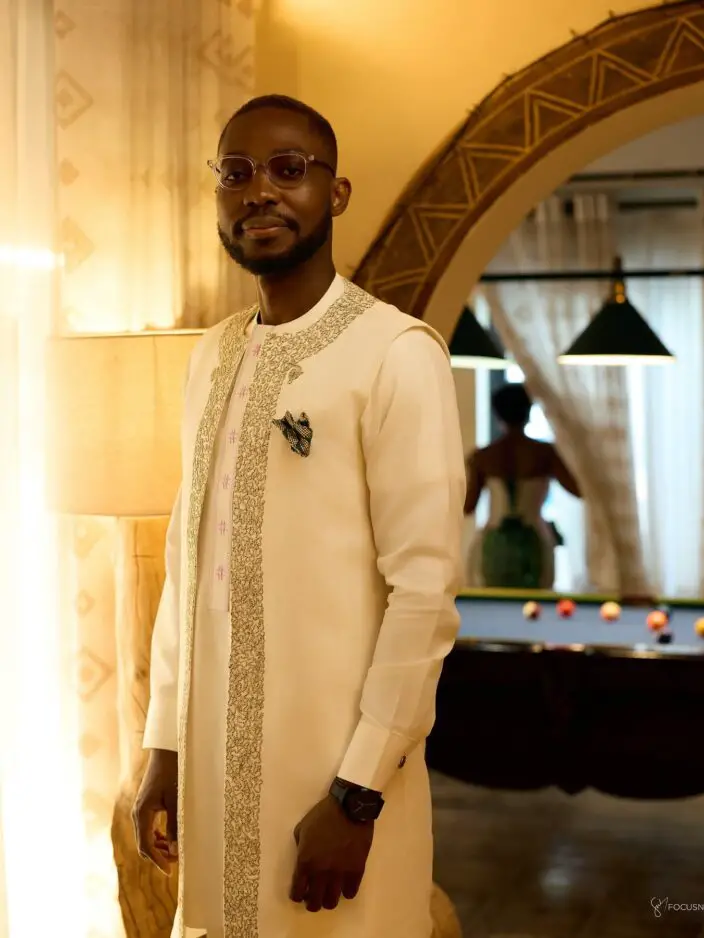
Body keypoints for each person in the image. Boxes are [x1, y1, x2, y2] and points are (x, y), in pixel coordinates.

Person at [131, 94, 466, 938]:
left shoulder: (396, 355)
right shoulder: (209, 358)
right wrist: (164, 743)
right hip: (211, 780)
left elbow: (423, 599)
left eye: (288, 170)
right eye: (236, 174)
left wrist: (358, 797)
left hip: (334, 792)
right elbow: (188, 559)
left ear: (337, 193)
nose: (259, 194)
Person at [463, 382, 581, 589]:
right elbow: (578, 490)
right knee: (536, 602)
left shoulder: (483, 457)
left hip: (493, 542)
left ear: (497, 414)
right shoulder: (545, 453)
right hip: (536, 539)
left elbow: (468, 506)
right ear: (528, 412)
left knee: (492, 604)